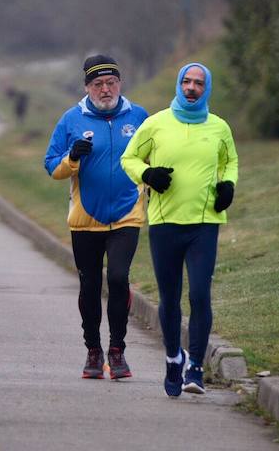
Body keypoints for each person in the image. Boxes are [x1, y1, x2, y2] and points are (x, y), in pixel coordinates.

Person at [120, 62, 238, 397]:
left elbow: (230, 161)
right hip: (164, 222)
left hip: (204, 223)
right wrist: (148, 175)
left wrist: (228, 185)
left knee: (200, 294)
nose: (191, 88)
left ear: (206, 89)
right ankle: (174, 357)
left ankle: (196, 366)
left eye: (198, 83)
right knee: (169, 297)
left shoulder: (219, 128)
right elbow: (129, 159)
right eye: (186, 81)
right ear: (178, 85)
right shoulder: (156, 124)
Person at [44, 55, 149, 379]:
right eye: (98, 84)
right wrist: (72, 157)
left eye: (111, 82)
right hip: (85, 219)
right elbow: (51, 165)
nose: (105, 89)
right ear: (87, 87)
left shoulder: (140, 117)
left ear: (120, 83)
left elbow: (156, 156)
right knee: (89, 285)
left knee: (118, 278)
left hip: (127, 215)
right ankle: (93, 350)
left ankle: (117, 351)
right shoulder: (71, 119)